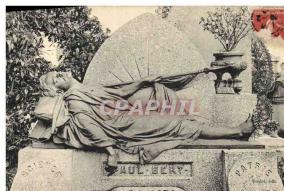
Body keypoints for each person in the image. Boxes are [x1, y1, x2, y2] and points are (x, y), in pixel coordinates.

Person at [32, 71, 254, 174]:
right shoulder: (75, 100)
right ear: (57, 89)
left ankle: (233, 131)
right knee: (182, 127)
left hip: (127, 113)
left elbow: (117, 91)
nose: (61, 74)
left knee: (158, 91)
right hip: (127, 125)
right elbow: (87, 125)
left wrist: (141, 82)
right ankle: (237, 132)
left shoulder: (84, 88)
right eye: (56, 79)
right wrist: (110, 151)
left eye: (58, 72)